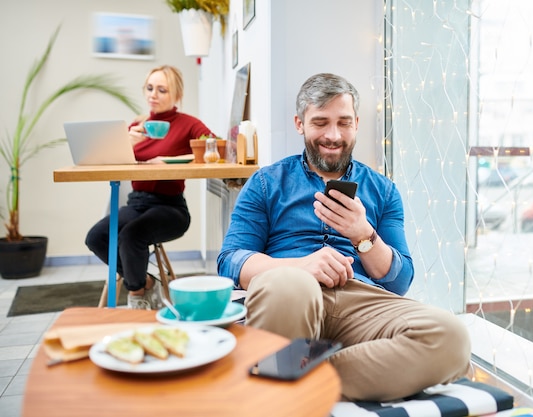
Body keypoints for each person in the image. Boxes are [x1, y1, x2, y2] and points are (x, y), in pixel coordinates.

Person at [217, 73, 471, 401]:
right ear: (299, 123)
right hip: (287, 294)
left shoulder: (383, 190)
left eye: (344, 123)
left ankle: (297, 378)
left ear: (356, 124)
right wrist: (298, 267)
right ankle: (287, 384)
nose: (333, 135)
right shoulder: (266, 183)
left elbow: (400, 280)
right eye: (320, 122)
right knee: (292, 285)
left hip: (360, 300)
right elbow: (230, 261)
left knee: (451, 338)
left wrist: (363, 234)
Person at [86, 65, 215, 310]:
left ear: (176, 95)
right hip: (136, 203)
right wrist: (125, 142)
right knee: (97, 237)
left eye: (162, 90)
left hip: (170, 206)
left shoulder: (188, 124)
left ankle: (137, 296)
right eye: (150, 88)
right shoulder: (136, 126)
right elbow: (107, 161)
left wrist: (173, 161)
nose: (153, 94)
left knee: (131, 235)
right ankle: (145, 282)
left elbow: (215, 148)